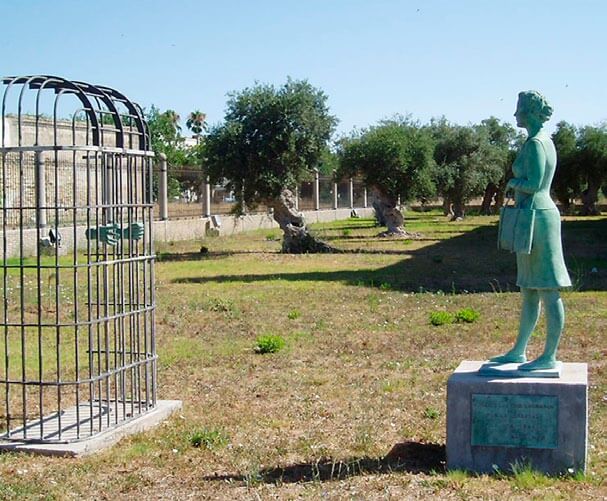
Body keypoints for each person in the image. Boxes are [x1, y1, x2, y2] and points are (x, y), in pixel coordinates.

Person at [491, 91, 571, 370]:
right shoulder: (541, 141)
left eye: (520, 110)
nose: (515, 115)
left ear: (531, 113)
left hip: (538, 215)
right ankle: (519, 350)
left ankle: (549, 356)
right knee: (528, 288)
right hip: (532, 215)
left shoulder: (537, 143)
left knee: (548, 287)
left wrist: (513, 182)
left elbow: (535, 183)